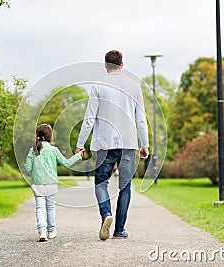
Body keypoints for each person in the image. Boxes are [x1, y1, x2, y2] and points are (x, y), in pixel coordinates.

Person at [76, 50, 149, 240]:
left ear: (106, 65)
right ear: (122, 65)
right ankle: (119, 230)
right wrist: (145, 144)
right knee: (125, 186)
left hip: (104, 142)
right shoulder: (134, 86)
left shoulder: (98, 85)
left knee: (101, 183)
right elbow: (141, 119)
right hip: (129, 143)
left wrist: (80, 144)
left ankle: (106, 214)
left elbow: (89, 118)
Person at [25, 123, 83, 242]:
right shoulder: (53, 150)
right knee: (50, 208)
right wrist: (78, 156)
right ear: (50, 136)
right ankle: (51, 231)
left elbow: (27, 168)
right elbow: (66, 163)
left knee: (40, 208)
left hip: (37, 184)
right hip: (51, 184)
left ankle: (42, 231)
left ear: (37, 136)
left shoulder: (33, 150)